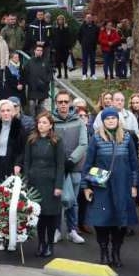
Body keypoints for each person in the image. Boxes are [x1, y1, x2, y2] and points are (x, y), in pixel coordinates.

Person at [82, 108, 139, 267]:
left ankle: (116, 252)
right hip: (102, 187)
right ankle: (104, 252)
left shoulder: (127, 137)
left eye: (113, 118)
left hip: (122, 186)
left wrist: (134, 185)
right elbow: (88, 164)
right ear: (103, 121)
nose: (111, 120)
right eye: (107, 119)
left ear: (118, 120)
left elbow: (134, 164)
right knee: (101, 222)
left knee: (120, 222)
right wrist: (86, 187)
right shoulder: (96, 138)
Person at [24, 112, 65, 258]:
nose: (41, 125)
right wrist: (26, 181)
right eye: (39, 122)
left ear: (50, 125)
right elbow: (27, 161)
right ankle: (41, 243)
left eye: (44, 123)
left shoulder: (56, 141)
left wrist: (58, 185)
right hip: (35, 182)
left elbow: (60, 165)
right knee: (39, 215)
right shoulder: (31, 140)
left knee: (50, 215)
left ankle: (50, 245)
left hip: (51, 182)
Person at [52, 91, 87, 244]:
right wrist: (59, 163)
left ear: (70, 103)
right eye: (60, 102)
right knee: (56, 201)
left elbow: (83, 143)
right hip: (56, 168)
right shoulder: (52, 121)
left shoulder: (79, 121)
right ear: (56, 104)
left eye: (66, 101)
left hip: (74, 167)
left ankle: (72, 230)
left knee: (73, 201)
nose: (63, 104)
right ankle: (57, 230)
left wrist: (72, 160)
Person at [0, 99, 25, 183]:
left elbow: (23, 150)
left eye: (8, 110)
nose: (5, 113)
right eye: (2, 111)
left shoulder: (19, 128)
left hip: (12, 165)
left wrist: (18, 164)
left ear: (13, 112)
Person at [22, 44, 53, 115]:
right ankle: (32, 119)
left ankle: (40, 118)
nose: (39, 52)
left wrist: (47, 81)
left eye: (41, 50)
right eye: (38, 50)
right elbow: (25, 74)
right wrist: (29, 83)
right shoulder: (29, 62)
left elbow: (50, 73)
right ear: (34, 51)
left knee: (41, 106)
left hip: (43, 87)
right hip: (32, 88)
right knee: (31, 104)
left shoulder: (46, 61)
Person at [78, 14, 98, 80]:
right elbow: (79, 36)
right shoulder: (82, 26)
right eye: (88, 18)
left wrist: (95, 43)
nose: (89, 19)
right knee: (84, 61)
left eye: (90, 18)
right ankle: (84, 74)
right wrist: (82, 43)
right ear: (85, 19)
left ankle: (93, 74)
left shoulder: (95, 27)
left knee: (93, 61)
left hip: (93, 46)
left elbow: (97, 36)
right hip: (85, 46)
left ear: (92, 19)